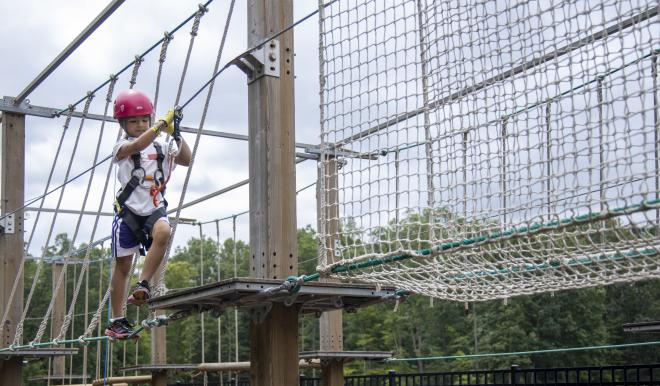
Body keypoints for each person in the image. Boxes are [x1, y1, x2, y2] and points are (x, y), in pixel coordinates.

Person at [105, 89, 192, 339]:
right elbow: (137, 144)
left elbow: (186, 159)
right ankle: (117, 320)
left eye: (144, 120)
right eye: (133, 121)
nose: (140, 125)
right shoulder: (121, 147)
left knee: (164, 231)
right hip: (129, 212)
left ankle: (143, 284)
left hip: (154, 207)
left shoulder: (160, 147)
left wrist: (175, 134)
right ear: (123, 124)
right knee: (122, 266)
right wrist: (157, 126)